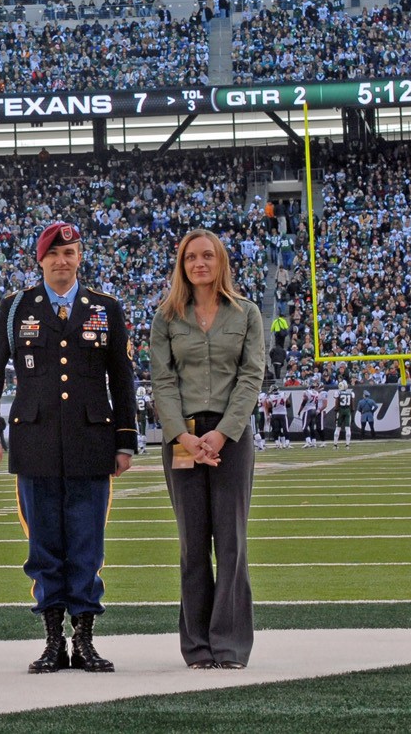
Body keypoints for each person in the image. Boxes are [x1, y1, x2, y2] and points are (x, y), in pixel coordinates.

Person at [0, 221, 136, 674]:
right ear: (39, 260)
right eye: (54, 255)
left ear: (80, 257)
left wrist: (125, 441)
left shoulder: (105, 308)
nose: (63, 261)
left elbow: (123, 379)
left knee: (86, 544)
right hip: (35, 442)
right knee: (44, 545)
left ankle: (84, 640)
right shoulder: (14, 308)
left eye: (71, 253)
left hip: (90, 442)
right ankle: (51, 641)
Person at [149, 229, 266, 671]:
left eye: (207, 256)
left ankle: (230, 646)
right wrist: (182, 435)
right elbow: (162, 381)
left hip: (229, 437)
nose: (199, 263)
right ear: (182, 264)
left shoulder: (247, 313)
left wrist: (222, 434)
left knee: (231, 542)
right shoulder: (167, 317)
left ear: (221, 262)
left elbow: (251, 376)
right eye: (191, 257)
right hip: (182, 438)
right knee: (192, 544)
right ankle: (197, 647)